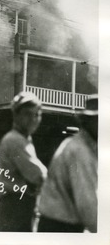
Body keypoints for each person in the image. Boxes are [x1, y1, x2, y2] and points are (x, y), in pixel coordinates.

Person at [37, 94, 98, 233]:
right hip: (60, 226)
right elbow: (88, 206)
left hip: (56, 222)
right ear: (87, 121)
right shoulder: (80, 151)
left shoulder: (82, 146)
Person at [0, 91, 47, 232]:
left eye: (37, 114)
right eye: (28, 114)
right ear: (16, 115)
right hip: (15, 208)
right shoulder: (15, 140)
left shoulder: (23, 139)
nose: (33, 119)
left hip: (19, 206)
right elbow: (38, 175)